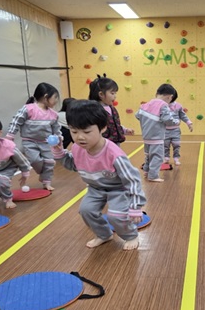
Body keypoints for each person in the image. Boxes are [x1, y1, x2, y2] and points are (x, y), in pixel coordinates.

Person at [51, 100, 146, 251]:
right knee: (86, 211)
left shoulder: (114, 154)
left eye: (87, 132)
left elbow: (133, 180)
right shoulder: (77, 148)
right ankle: (104, 234)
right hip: (95, 188)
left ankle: (131, 235)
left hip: (119, 189)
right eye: (74, 132)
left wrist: (136, 206)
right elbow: (73, 165)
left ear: (103, 128)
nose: (80, 137)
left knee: (116, 216)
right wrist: (59, 152)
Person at [6, 82, 62, 191]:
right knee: (35, 160)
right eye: (55, 97)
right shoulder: (29, 109)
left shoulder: (53, 114)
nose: (56, 101)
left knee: (50, 162)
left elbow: (56, 128)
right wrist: (10, 135)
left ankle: (46, 182)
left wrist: (58, 139)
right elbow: (16, 121)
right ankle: (43, 174)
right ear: (46, 97)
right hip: (29, 142)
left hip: (46, 142)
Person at [135, 84, 180, 182]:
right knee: (158, 157)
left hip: (146, 136)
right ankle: (153, 176)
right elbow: (167, 119)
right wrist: (176, 122)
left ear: (157, 94)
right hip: (157, 137)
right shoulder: (163, 105)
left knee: (148, 155)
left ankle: (146, 171)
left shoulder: (146, 104)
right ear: (170, 97)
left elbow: (137, 115)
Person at [88, 74, 134, 145]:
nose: (115, 96)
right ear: (101, 94)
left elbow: (114, 124)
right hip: (103, 145)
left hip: (115, 143)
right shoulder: (95, 111)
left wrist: (125, 130)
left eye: (115, 93)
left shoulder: (111, 108)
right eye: (112, 93)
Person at [164, 90, 194, 166]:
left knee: (176, 144)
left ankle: (176, 158)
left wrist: (189, 123)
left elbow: (183, 115)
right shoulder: (162, 106)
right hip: (165, 130)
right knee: (165, 145)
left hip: (175, 130)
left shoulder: (178, 106)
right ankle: (166, 158)